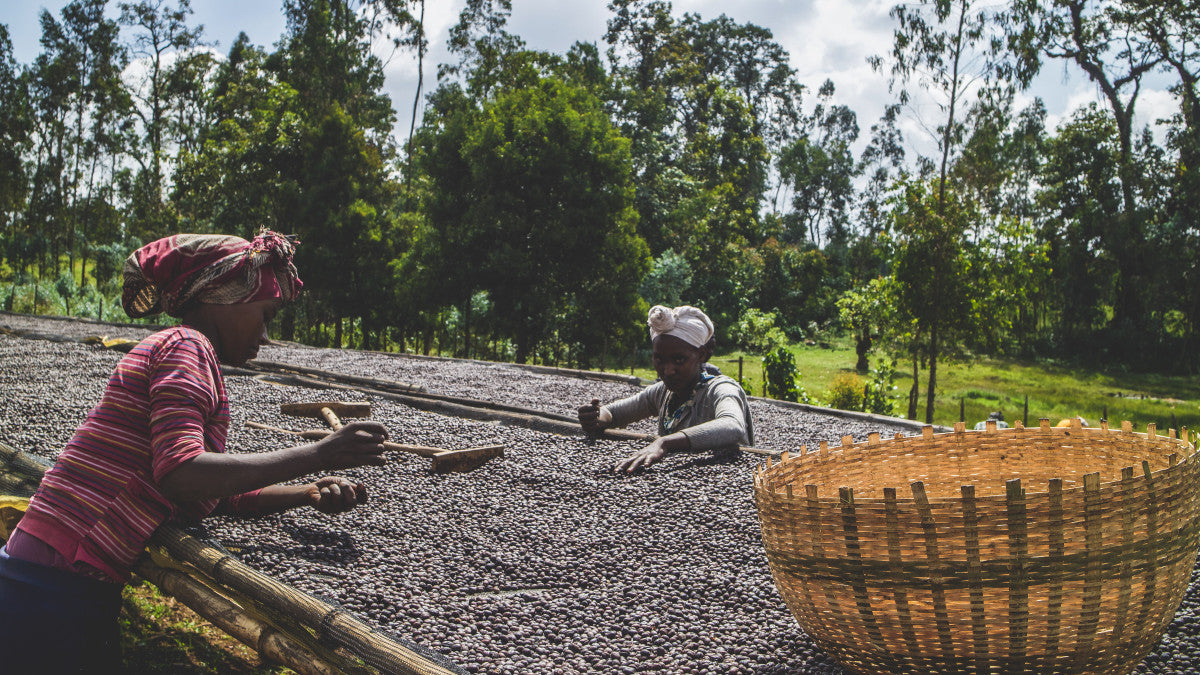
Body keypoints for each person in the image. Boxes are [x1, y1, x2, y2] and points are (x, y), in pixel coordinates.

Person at [0, 230, 389, 673]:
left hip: (53, 566)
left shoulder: (183, 351)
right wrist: (320, 453)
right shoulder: (188, 346)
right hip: (58, 579)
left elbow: (211, 491)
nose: (265, 335)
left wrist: (306, 491)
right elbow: (182, 473)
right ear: (222, 297)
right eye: (265, 314)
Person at [578, 304, 754, 473]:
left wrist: (665, 443)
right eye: (659, 360)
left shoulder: (721, 389)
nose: (668, 370)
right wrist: (596, 417)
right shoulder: (663, 392)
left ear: (701, 355)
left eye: (679, 360)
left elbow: (733, 426)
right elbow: (613, 414)